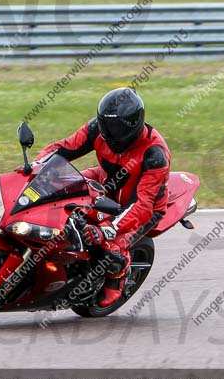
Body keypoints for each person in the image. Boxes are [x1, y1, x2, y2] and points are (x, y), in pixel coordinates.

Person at [33, 88, 171, 307]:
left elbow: (142, 205)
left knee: (108, 242)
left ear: (132, 125)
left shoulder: (154, 155)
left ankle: (118, 273)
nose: (108, 132)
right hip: (105, 182)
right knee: (55, 191)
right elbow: (65, 148)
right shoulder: (97, 129)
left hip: (142, 207)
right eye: (105, 125)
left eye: (115, 127)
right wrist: (36, 166)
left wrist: (107, 229)